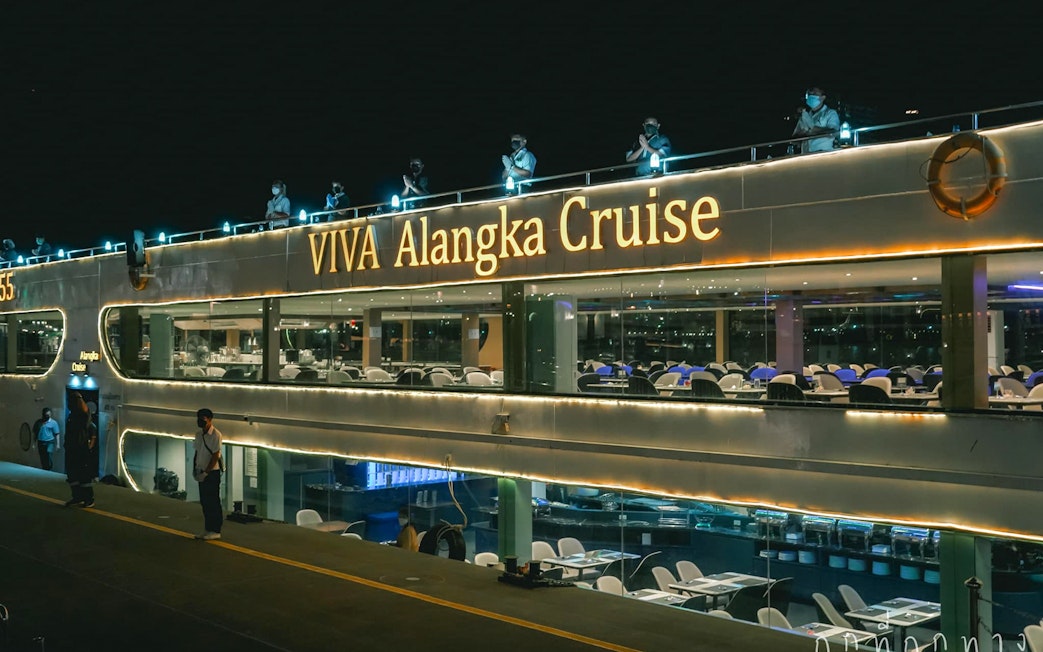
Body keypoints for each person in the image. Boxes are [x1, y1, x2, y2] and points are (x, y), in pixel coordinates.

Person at [193, 408, 224, 540]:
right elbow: (197, 452)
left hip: (212, 473)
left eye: (203, 419)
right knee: (204, 502)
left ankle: (215, 530)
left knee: (213, 501)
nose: (200, 421)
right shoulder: (198, 434)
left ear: (210, 419)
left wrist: (206, 472)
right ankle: (207, 528)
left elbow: (215, 456)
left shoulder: (216, 435)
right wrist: (195, 468)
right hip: (200, 471)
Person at [64, 393, 97, 507]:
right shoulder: (72, 415)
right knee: (72, 475)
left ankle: (88, 498)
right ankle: (77, 496)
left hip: (80, 449)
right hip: (72, 449)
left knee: (83, 475)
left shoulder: (82, 415)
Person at [792, 87, 841, 153]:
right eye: (809, 94)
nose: (811, 96)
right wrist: (803, 133)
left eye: (814, 93)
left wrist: (814, 129)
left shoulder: (830, 113)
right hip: (805, 156)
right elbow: (794, 141)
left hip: (824, 154)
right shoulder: (805, 115)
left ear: (823, 97)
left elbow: (834, 133)